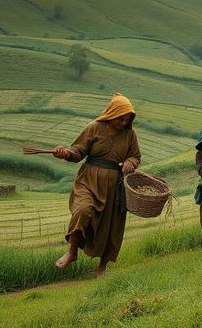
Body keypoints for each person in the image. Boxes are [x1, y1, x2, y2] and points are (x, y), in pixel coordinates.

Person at [52, 93, 141, 277]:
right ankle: (72, 251)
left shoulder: (130, 135)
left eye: (127, 119)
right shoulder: (94, 128)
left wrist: (130, 163)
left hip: (114, 187)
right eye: (121, 118)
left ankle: (102, 267)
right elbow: (77, 151)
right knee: (83, 210)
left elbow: (135, 156)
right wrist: (66, 153)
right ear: (111, 114)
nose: (124, 122)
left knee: (112, 227)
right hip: (89, 180)